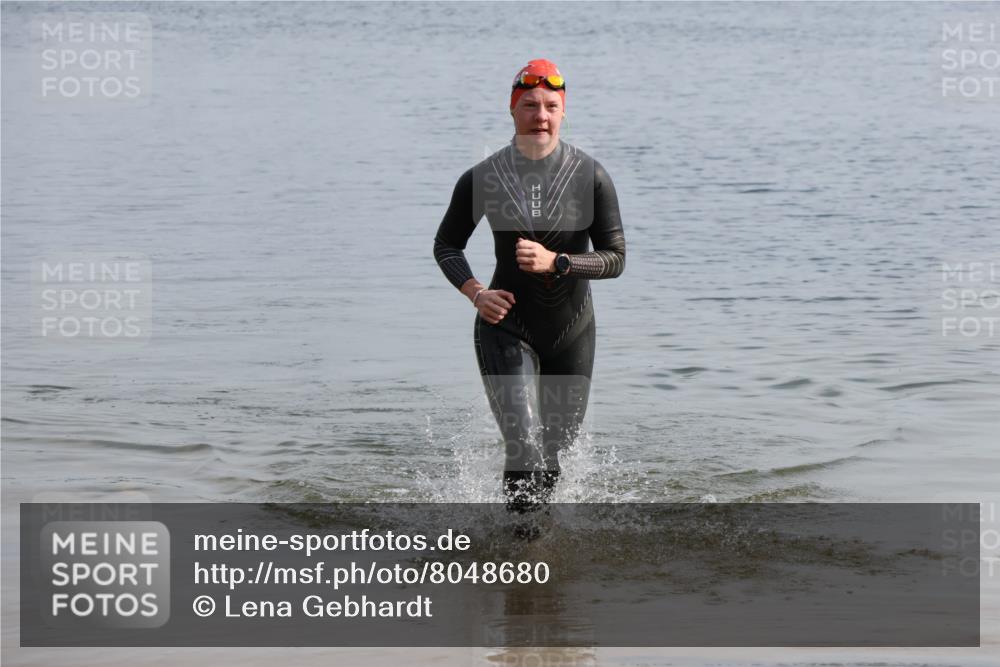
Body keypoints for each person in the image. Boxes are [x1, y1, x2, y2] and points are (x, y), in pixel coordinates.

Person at [433, 59, 626, 511]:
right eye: (530, 105)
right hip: (507, 328)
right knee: (524, 450)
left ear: (563, 111)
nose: (541, 115)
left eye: (550, 106)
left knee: (554, 456)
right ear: (513, 109)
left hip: (572, 333)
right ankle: (521, 559)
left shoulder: (590, 176)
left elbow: (615, 260)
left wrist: (557, 262)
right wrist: (476, 293)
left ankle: (538, 551)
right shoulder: (484, 177)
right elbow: (446, 245)